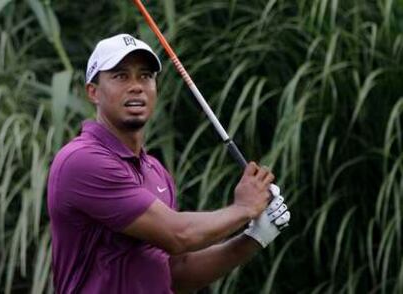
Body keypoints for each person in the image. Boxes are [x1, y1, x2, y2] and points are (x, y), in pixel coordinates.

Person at [47, 33, 291, 294]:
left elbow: (177, 271)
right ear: (93, 92)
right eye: (120, 76)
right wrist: (243, 208)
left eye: (145, 76)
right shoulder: (81, 161)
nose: (136, 86)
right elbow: (179, 235)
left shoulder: (156, 172)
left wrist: (255, 237)